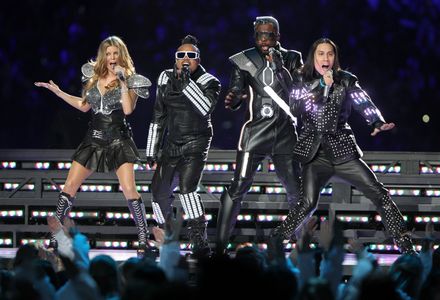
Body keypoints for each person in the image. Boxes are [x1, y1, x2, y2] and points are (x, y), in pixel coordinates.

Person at [271, 38, 416, 254]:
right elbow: (297, 107)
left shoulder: (345, 80)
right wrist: (321, 86)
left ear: (335, 58)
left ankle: (405, 244)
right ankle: (276, 242)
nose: (325, 58)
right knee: (307, 203)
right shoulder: (302, 78)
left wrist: (376, 121)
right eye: (321, 54)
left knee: (379, 193)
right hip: (314, 153)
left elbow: (362, 101)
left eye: (330, 54)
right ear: (314, 56)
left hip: (342, 150)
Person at [35, 35, 153, 257]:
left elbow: (128, 110)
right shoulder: (93, 78)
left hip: (118, 139)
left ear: (121, 55)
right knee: (69, 185)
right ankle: (53, 237)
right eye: (107, 54)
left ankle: (143, 239)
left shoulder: (131, 79)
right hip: (94, 139)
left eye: (115, 53)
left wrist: (123, 80)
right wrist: (59, 92)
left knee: (129, 189)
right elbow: (83, 106)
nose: (111, 57)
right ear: (102, 56)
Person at [215, 16, 303, 249]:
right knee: (239, 185)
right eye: (260, 35)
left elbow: (298, 91)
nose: (264, 40)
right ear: (254, 36)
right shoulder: (243, 60)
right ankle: (220, 245)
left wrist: (279, 66)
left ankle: (300, 243)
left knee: (296, 188)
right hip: (255, 132)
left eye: (269, 35)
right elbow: (235, 93)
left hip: (285, 134)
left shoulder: (292, 58)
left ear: (278, 36)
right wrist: (233, 100)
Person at [145, 35, 221, 254]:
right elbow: (158, 115)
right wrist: (152, 149)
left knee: (188, 190)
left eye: (191, 55)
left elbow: (204, 107)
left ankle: (199, 240)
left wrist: (186, 82)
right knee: (158, 192)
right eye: (181, 55)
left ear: (198, 59)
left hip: (196, 141)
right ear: (175, 59)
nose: (185, 58)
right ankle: (166, 235)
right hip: (172, 143)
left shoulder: (209, 81)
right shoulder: (164, 77)